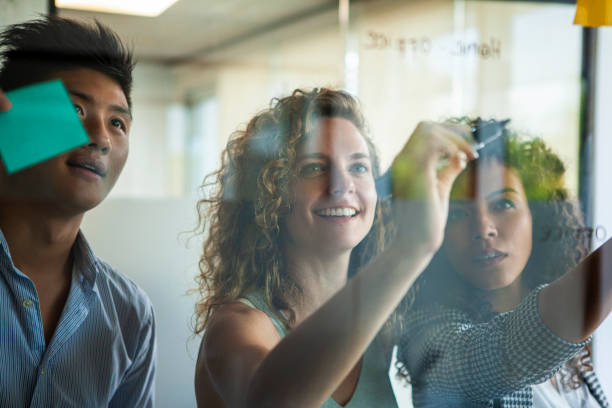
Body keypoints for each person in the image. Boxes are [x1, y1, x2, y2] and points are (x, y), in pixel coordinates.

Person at [192, 87, 478, 407]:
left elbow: (484, 357)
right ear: (270, 194)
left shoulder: (380, 324)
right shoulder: (237, 326)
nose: (341, 186)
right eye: (314, 168)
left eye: (358, 167)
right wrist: (410, 248)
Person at [395, 120, 611, 407]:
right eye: (458, 214)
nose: (484, 228)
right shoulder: (429, 337)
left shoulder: (574, 353)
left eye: (503, 204)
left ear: (536, 216)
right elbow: (510, 352)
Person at [0, 17, 155, 407]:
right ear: (9, 120)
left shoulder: (129, 313)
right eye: (76, 110)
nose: (101, 138)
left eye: (117, 123)